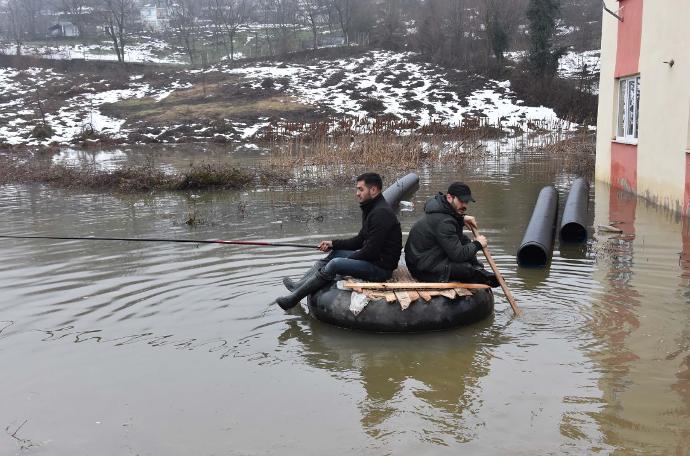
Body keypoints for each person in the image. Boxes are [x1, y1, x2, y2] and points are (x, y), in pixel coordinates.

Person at [276, 172, 402, 310]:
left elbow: (371, 252)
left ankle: (293, 299)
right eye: (357, 189)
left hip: (381, 269)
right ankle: (297, 286)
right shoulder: (372, 209)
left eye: (361, 189)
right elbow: (360, 241)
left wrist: (347, 262)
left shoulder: (381, 213)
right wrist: (333, 244)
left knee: (335, 263)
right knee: (337, 253)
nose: (357, 193)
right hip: (373, 260)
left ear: (373, 190)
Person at [404, 182, 498, 286]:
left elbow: (448, 221)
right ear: (449, 198)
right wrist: (478, 244)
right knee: (465, 268)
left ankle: (477, 270)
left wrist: (461, 219)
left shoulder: (439, 209)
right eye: (461, 201)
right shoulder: (444, 222)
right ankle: (479, 275)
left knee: (465, 240)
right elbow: (458, 255)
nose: (465, 205)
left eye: (467, 201)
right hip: (422, 268)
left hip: (425, 259)